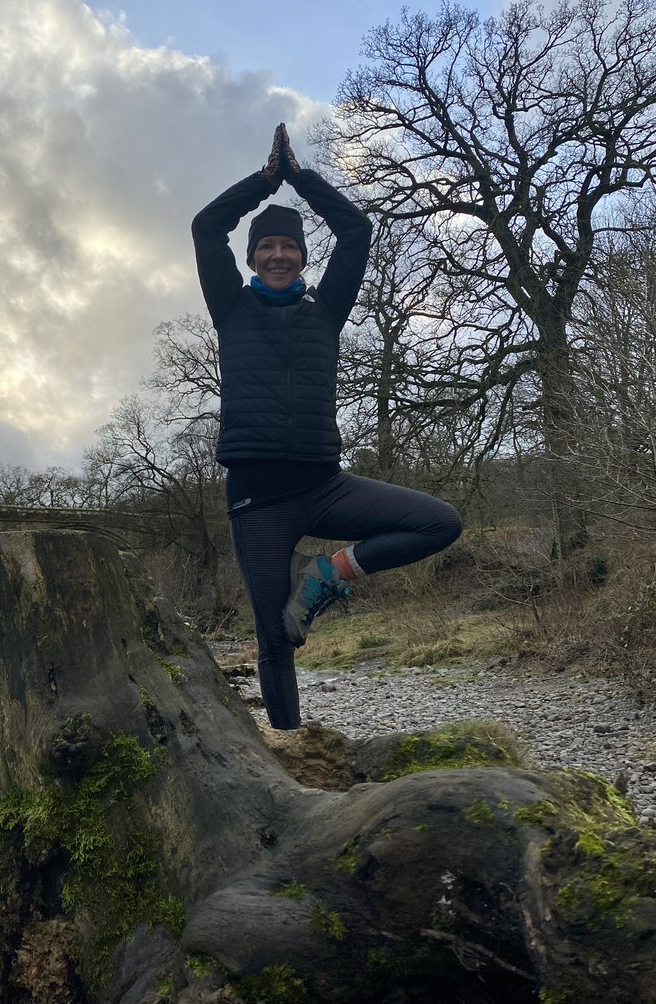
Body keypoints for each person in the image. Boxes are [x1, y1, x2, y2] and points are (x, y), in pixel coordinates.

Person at [192, 124, 463, 730]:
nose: (278, 254)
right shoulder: (230, 308)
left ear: (303, 256)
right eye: (267, 246)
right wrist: (266, 182)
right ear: (251, 258)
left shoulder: (327, 311)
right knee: (275, 639)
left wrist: (302, 178)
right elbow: (206, 227)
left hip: (325, 486)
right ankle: (289, 755)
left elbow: (356, 229)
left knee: (441, 522)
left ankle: (328, 574)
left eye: (289, 246)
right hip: (258, 502)